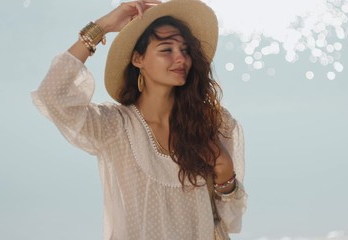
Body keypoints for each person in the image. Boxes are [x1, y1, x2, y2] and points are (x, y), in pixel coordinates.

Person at [31, 0, 246, 239]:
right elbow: (52, 95)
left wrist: (225, 172)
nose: (180, 59)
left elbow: (231, 219)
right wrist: (101, 26)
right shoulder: (115, 126)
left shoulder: (213, 122)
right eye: (167, 49)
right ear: (138, 59)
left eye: (185, 50)